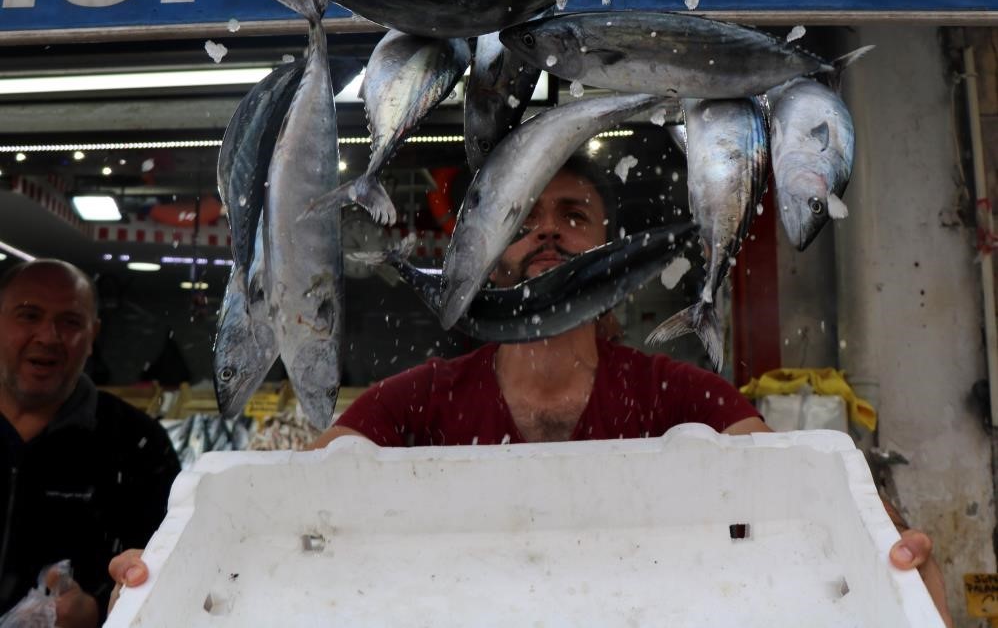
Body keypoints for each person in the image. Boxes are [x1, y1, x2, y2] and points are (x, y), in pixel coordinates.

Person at [109, 159, 953, 626]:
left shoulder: (683, 393)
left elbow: (791, 501)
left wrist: (894, 565)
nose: (547, 227)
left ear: (614, 256)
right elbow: (295, 517)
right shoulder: (412, 403)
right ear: (483, 253)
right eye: (521, 216)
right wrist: (170, 575)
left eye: (574, 213)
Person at [0, 260, 180, 627]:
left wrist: (100, 608)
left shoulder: (139, 445)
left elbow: (173, 575)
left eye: (70, 322)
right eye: (28, 315)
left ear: (93, 333)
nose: (48, 336)